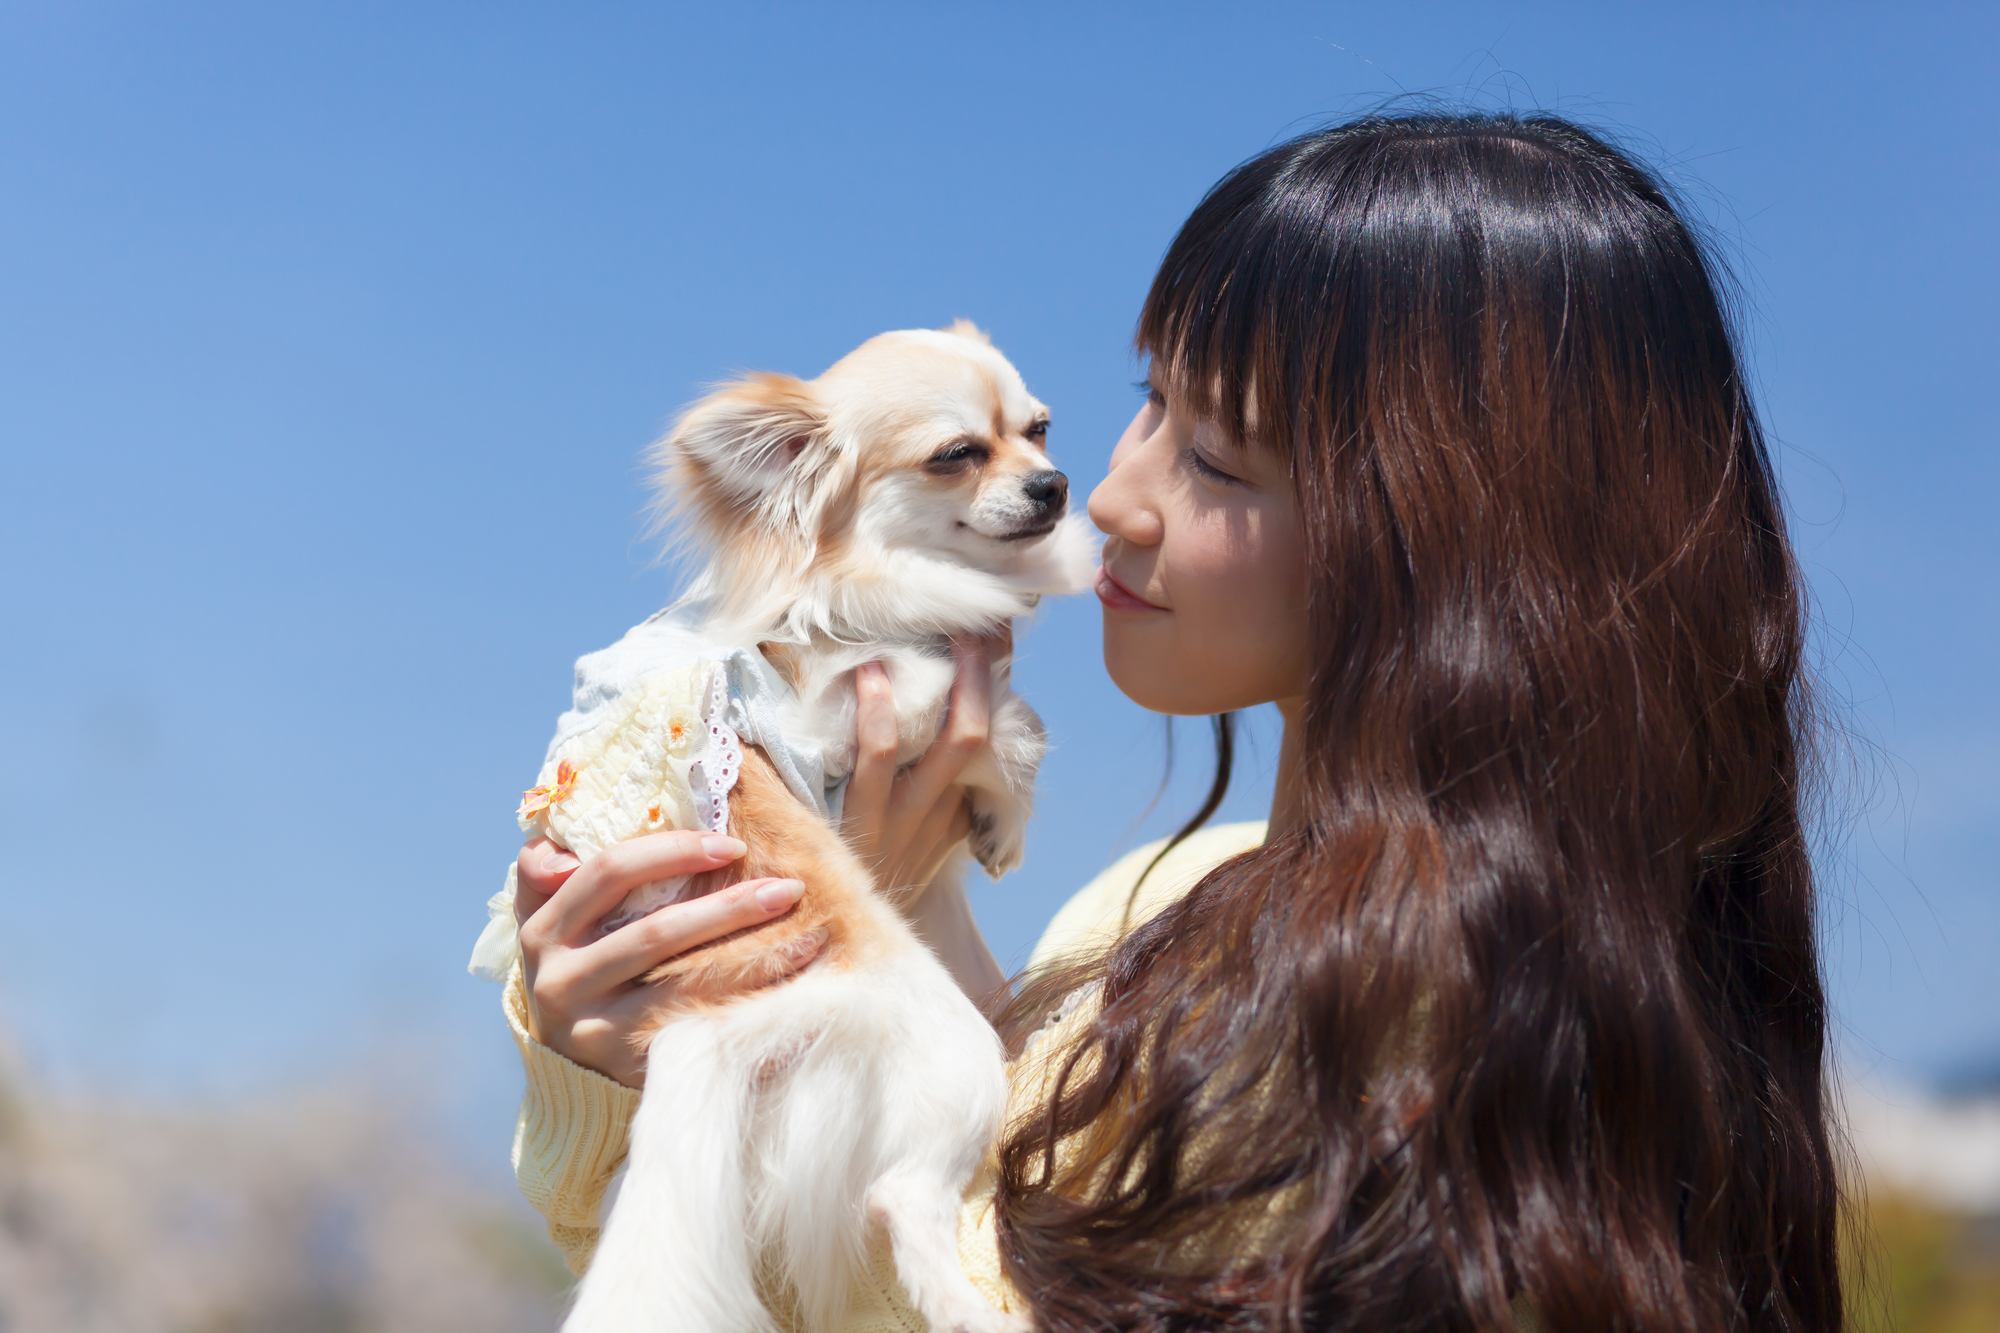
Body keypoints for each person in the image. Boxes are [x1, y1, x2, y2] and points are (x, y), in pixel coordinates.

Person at [498, 110, 1844, 1332]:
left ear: (1450, 546)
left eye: (1216, 457)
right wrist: (687, 1033)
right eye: (1148, 398)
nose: (1115, 496)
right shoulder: (1153, 901)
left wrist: (857, 951)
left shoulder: (1441, 1015)